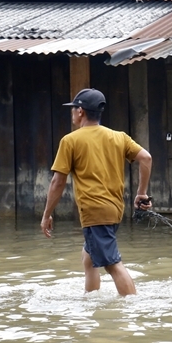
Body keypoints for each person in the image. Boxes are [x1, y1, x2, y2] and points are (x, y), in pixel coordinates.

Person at [41, 88, 153, 296]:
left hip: (94, 212)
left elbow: (57, 181)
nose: (72, 113)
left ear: (81, 111)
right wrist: (141, 193)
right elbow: (146, 158)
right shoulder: (118, 137)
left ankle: (134, 309)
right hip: (115, 211)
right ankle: (91, 299)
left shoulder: (70, 140)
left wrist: (47, 214)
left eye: (73, 109)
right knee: (88, 256)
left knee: (112, 265)